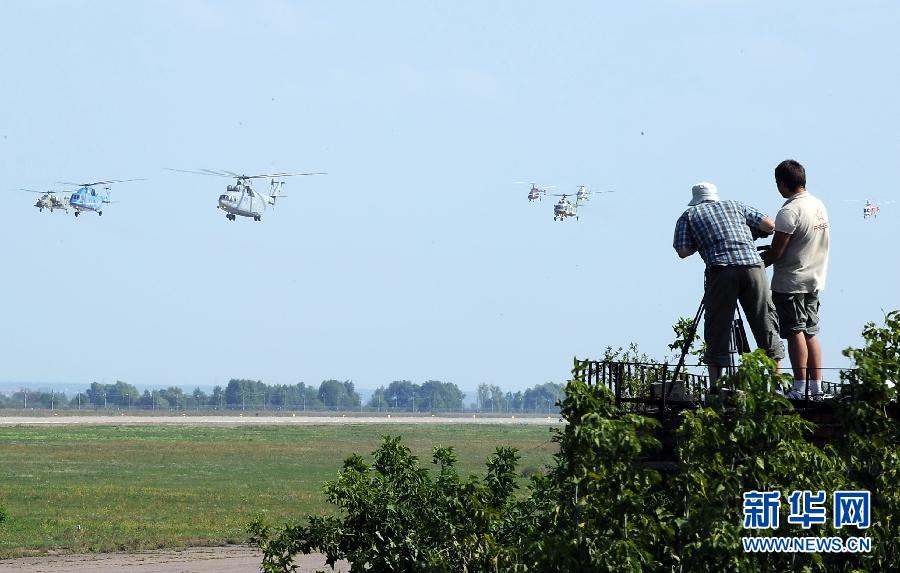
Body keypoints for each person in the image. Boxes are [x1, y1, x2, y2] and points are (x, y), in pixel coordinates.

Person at [673, 182, 784, 383]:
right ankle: (777, 383)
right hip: (753, 267)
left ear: (695, 200)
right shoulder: (735, 205)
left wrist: (706, 241)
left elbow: (683, 251)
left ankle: (717, 388)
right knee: (765, 321)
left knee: (718, 328)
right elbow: (769, 226)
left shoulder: (689, 215)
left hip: (721, 271)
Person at [762, 160, 829, 399]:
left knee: (794, 331)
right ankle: (816, 387)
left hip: (791, 280)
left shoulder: (789, 211)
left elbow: (777, 251)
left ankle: (799, 387)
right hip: (814, 277)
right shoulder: (818, 205)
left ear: (783, 183)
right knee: (811, 331)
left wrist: (759, 263)